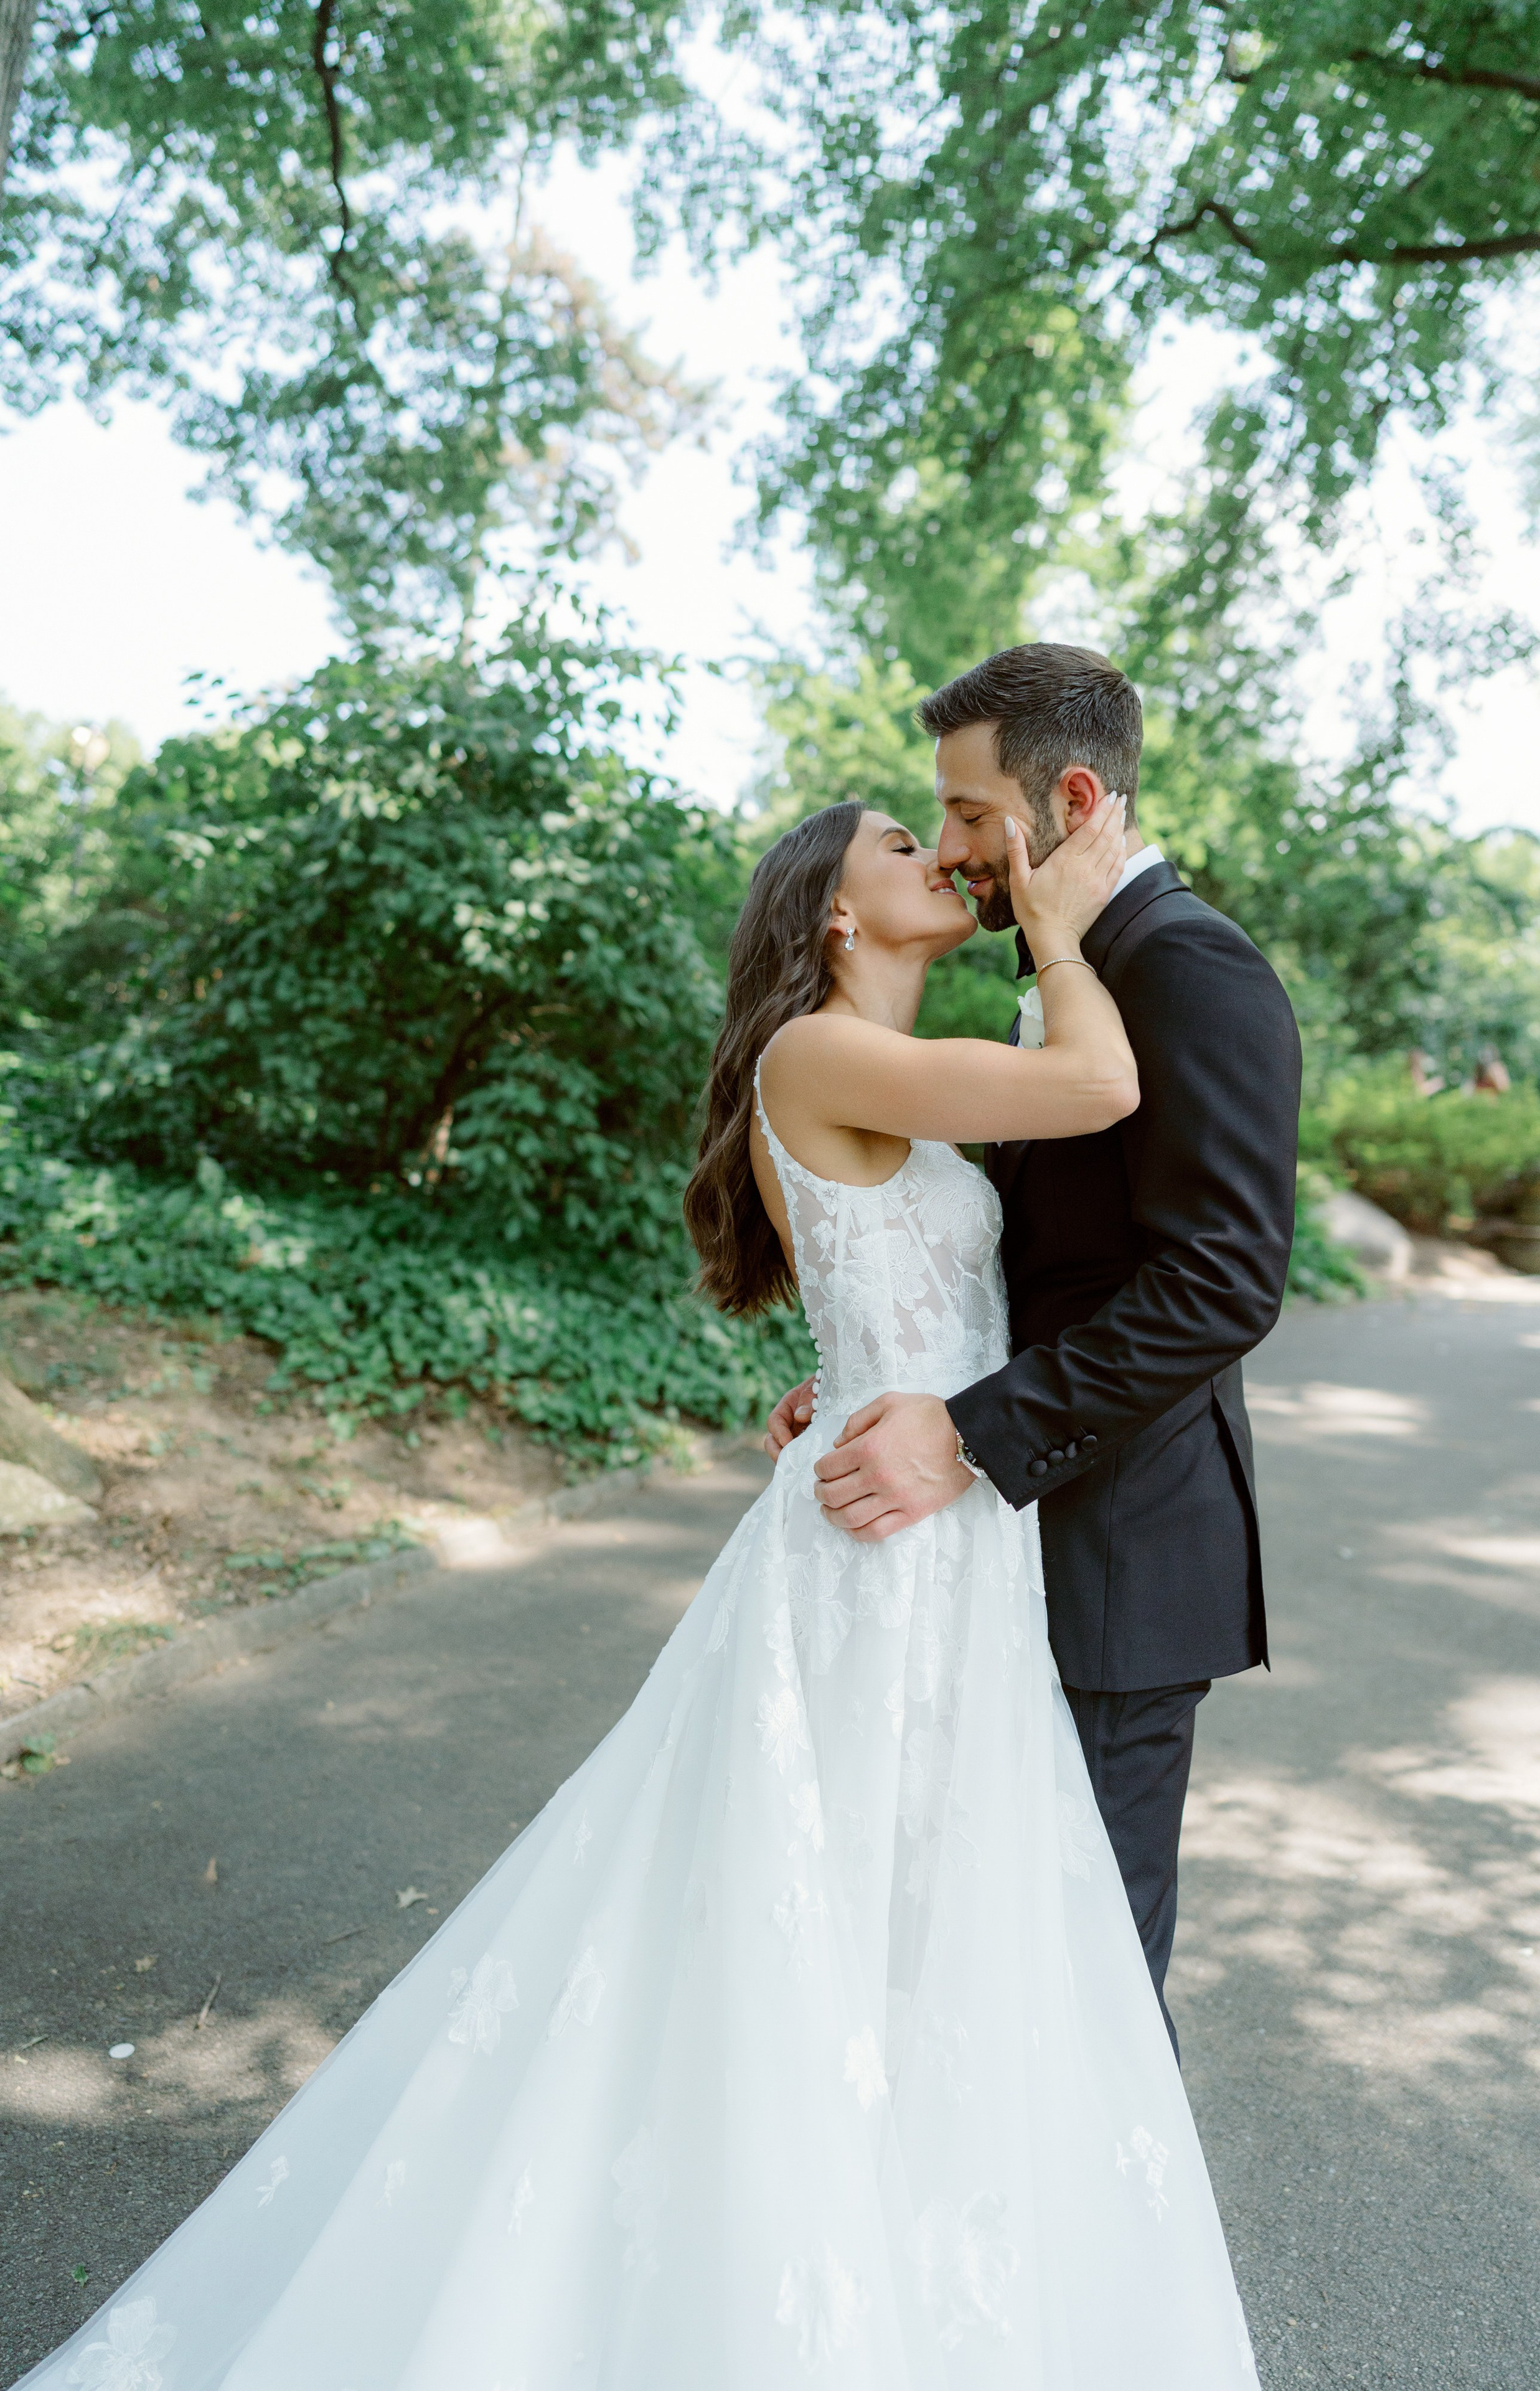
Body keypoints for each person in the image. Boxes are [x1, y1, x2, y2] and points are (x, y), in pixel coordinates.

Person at [19, 781, 1259, 2390]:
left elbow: (943, 1290)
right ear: (833, 910)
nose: (944, 855)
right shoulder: (814, 1051)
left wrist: (866, 1377)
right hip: (885, 1555)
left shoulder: (890, 1078)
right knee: (818, 1918)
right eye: (905, 845)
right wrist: (1064, 920)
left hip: (941, 1530)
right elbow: (1096, 1082)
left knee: (922, 1919)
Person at [766, 643, 1302, 2057]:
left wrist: (965, 1431)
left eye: (967, 814)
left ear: (1068, 800)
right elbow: (1045, 1262)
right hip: (999, 1550)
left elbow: (1219, 1284)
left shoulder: (1187, 966)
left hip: (1119, 1552)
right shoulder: (1075, 973)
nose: (949, 848)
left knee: (1085, 1994)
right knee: (976, 1963)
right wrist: (894, 1369)